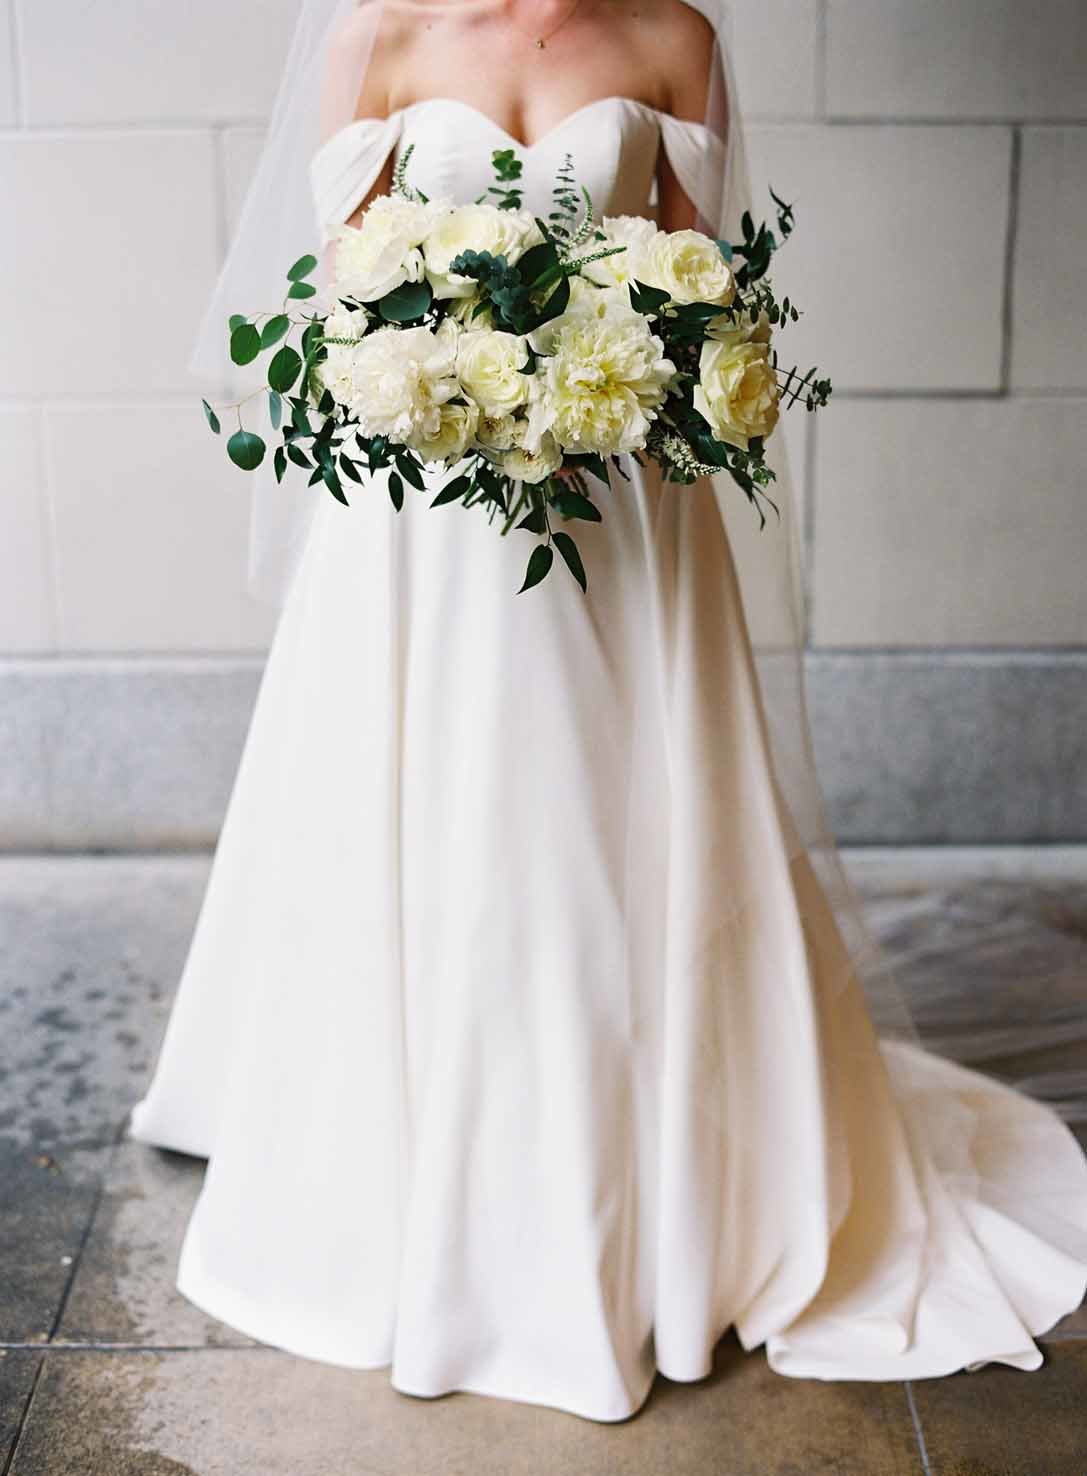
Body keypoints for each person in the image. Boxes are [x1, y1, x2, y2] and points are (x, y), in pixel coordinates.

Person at [127, 0, 1087, 1426]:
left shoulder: (673, 36)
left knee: (604, 834)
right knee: (438, 822)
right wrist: (452, 366)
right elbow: (337, 297)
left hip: (621, 524)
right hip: (431, 535)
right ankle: (410, 1174)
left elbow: (710, 290)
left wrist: (640, 365)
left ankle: (664, 1197)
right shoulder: (378, 36)